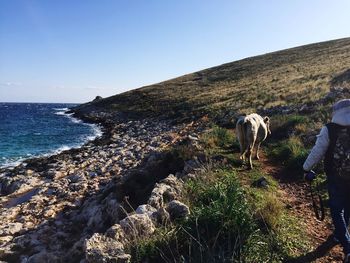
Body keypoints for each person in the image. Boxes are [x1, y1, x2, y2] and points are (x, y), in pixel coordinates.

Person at [303, 99, 350, 263]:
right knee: (347, 206)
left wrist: (306, 168)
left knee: (337, 210)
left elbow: (318, 151)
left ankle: (347, 246)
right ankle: (339, 235)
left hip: (336, 176)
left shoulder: (329, 129)